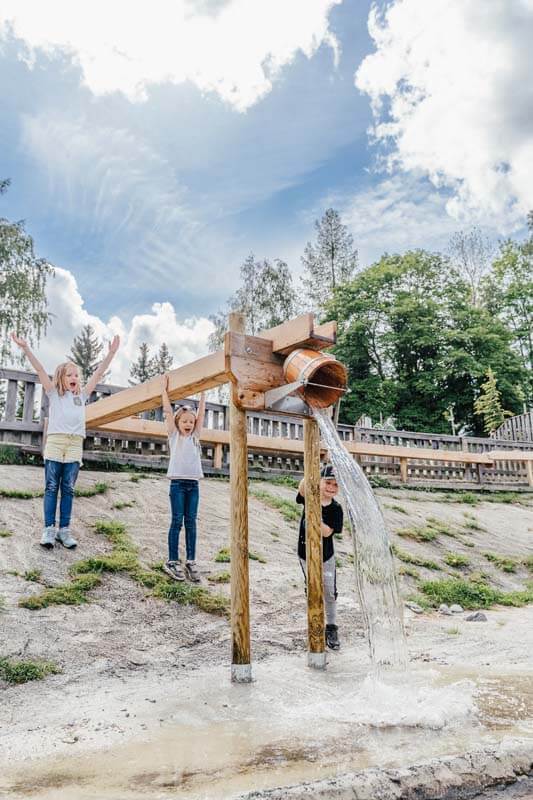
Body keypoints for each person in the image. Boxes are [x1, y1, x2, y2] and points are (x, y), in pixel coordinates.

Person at [10, 331, 120, 549]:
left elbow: (98, 374)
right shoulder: (53, 394)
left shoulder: (82, 396)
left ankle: (64, 530)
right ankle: (49, 529)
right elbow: (40, 369)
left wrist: (111, 354)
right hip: (55, 444)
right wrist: (26, 348)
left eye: (76, 375)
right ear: (60, 378)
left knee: (68, 488)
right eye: (69, 375)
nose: (74, 378)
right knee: (52, 487)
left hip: (74, 445)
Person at [161, 374, 206, 583]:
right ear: (178, 423)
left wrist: (204, 393)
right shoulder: (174, 436)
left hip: (193, 484)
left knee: (191, 522)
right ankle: (172, 561)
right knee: (177, 520)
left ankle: (191, 560)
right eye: (184, 421)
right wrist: (164, 391)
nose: (188, 424)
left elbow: (202, 414)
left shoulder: (196, 436)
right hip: (177, 484)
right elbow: (168, 412)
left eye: (191, 421)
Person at [296, 464, 343, 650]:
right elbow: (301, 490)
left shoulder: (336, 509)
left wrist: (315, 516)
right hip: (304, 553)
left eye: (335, 485)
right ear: (320, 482)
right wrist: (311, 473)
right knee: (313, 589)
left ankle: (331, 627)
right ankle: (315, 625)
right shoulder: (311, 496)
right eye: (328, 482)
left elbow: (326, 533)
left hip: (326, 556)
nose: (331, 487)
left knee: (329, 591)